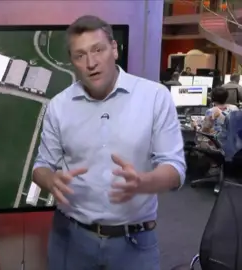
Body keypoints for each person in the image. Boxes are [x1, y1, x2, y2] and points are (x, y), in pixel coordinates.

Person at [32, 15, 186, 270]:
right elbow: (41, 166)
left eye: (98, 50)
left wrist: (144, 182)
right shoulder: (58, 106)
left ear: (114, 49)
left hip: (135, 243)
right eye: (80, 55)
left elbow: (175, 168)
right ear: (72, 61)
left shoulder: (155, 97)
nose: (91, 63)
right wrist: (50, 180)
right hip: (70, 239)